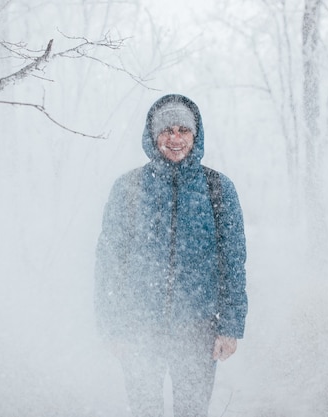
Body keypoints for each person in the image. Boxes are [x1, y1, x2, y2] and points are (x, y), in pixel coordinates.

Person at [94, 94, 248, 417]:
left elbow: (233, 262)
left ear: (195, 135)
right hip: (140, 331)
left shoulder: (217, 188)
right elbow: (109, 263)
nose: (175, 138)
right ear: (153, 135)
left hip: (197, 331)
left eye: (183, 130)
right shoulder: (128, 189)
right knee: (145, 411)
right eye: (166, 130)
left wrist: (230, 327)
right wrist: (112, 328)